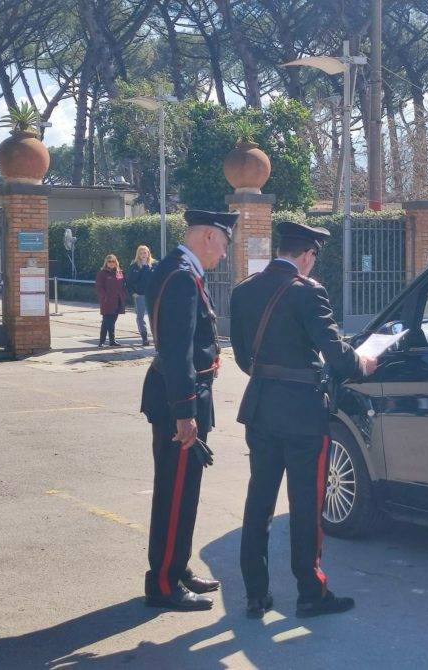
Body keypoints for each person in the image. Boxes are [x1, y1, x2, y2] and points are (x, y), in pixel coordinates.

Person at [230, 221, 378, 620]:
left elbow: (244, 357)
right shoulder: (308, 292)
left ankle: (255, 594)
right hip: (302, 414)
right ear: (308, 255)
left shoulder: (243, 290)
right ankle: (310, 592)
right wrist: (363, 363)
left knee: (258, 502)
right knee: (305, 505)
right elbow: (336, 354)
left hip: (260, 408)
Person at [141, 209, 238, 611]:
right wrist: (185, 412)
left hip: (185, 396)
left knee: (185, 490)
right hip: (179, 401)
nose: (225, 256)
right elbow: (177, 350)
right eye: (226, 245)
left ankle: (176, 567)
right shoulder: (181, 275)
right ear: (210, 236)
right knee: (175, 491)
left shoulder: (181, 269)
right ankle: (163, 583)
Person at [125, 245, 156, 346]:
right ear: (138, 254)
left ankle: (156, 338)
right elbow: (128, 282)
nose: (143, 255)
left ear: (148, 253)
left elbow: (160, 279)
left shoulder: (154, 265)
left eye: (145, 253)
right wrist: (133, 293)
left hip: (152, 296)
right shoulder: (134, 266)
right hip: (140, 296)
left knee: (154, 317)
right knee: (140, 317)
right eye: (141, 253)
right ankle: (144, 338)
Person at [95, 254, 126, 347]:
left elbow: (123, 285)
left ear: (116, 262)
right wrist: (105, 297)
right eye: (109, 261)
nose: (111, 263)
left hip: (118, 301)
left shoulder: (119, 272)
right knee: (106, 321)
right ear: (106, 263)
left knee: (113, 321)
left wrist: (123, 295)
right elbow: (99, 287)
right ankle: (102, 341)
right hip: (107, 302)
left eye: (113, 261)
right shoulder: (102, 273)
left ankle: (112, 341)